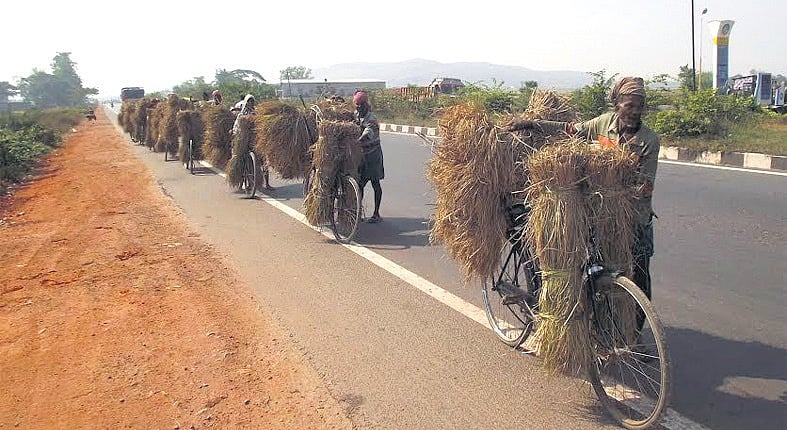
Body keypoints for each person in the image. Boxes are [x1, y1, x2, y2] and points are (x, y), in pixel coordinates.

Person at [507, 77, 658, 313]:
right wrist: (533, 124)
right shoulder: (603, 125)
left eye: (640, 106)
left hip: (634, 218)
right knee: (589, 264)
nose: (635, 112)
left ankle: (636, 325)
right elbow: (570, 130)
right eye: (629, 105)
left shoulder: (649, 140)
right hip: (600, 214)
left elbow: (646, 186)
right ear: (617, 104)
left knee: (639, 276)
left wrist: (617, 195)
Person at [353, 91, 384, 223]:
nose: (358, 107)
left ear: (366, 104)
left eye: (360, 105)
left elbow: (367, 133)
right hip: (362, 155)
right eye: (356, 105)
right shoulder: (356, 115)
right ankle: (358, 212)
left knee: (375, 183)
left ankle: (376, 213)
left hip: (373, 154)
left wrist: (357, 141)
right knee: (360, 185)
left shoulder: (371, 118)